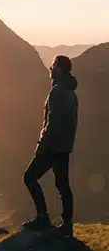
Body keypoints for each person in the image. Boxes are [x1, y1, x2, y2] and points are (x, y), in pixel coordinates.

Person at [23, 55, 78, 236]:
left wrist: (41, 145)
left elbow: (52, 124)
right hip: (64, 146)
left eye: (53, 66)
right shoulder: (71, 91)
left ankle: (42, 217)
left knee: (29, 177)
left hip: (52, 147)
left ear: (59, 69)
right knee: (63, 184)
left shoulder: (57, 92)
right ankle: (67, 223)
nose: (50, 68)